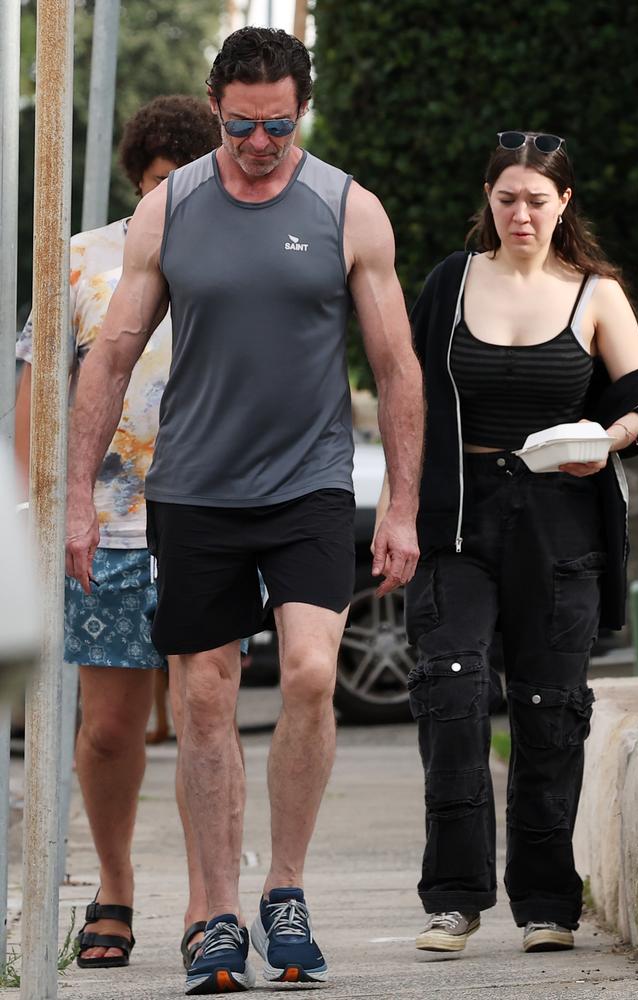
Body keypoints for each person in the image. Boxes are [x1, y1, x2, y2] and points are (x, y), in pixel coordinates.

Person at [64, 26, 423, 995]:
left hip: (306, 481)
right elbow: (110, 355)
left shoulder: (348, 208)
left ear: (300, 108)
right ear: (213, 100)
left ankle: (286, 887)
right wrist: (78, 503)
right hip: (192, 487)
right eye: (237, 124)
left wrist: (401, 503)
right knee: (208, 699)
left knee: (309, 674)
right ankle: (216, 911)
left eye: (277, 124)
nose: (258, 143)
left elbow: (394, 368)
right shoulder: (169, 210)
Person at [389, 130, 638, 957]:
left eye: (538, 199)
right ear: (489, 200)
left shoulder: (596, 294)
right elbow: (405, 392)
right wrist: (400, 508)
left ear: (564, 202)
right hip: (460, 513)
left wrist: (612, 439)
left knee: (549, 708)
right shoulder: (450, 281)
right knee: (453, 692)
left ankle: (547, 902)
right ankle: (455, 900)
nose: (521, 214)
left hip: (559, 514)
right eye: (507, 198)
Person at [15, 94, 222, 971]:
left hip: (215, 519)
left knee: (210, 716)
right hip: (108, 533)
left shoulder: (238, 257)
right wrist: (31, 510)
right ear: (135, 183)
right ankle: (113, 883)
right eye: (155, 188)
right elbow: (37, 391)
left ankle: (212, 904)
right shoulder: (81, 260)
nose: (169, 205)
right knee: (108, 729)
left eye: (186, 186)